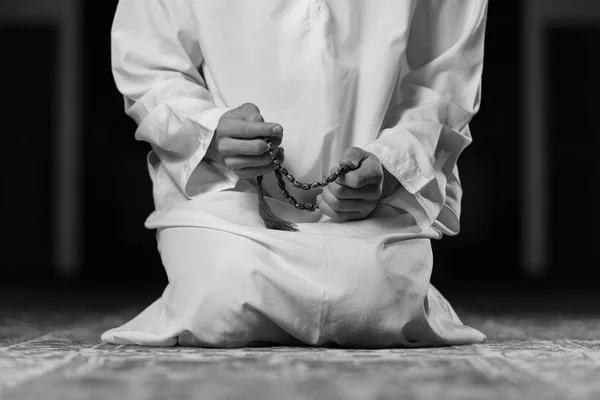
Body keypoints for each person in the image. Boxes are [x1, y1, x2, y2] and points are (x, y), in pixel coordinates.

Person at [102, 0, 489, 347]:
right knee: (222, 289)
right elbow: (148, 62)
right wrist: (210, 131)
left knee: (370, 293)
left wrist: (389, 166)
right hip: (229, 200)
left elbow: (446, 82)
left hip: (377, 207)